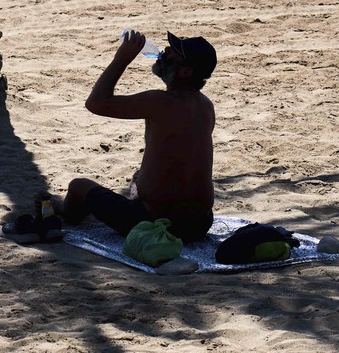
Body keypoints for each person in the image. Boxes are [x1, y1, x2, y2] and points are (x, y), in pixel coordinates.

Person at [52, 31, 218, 242]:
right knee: (137, 178)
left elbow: (95, 103)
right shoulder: (206, 106)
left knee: (78, 186)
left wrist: (122, 59)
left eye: (173, 53)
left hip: (153, 223)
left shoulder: (158, 101)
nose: (165, 52)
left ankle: (64, 211)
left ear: (185, 72)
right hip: (200, 224)